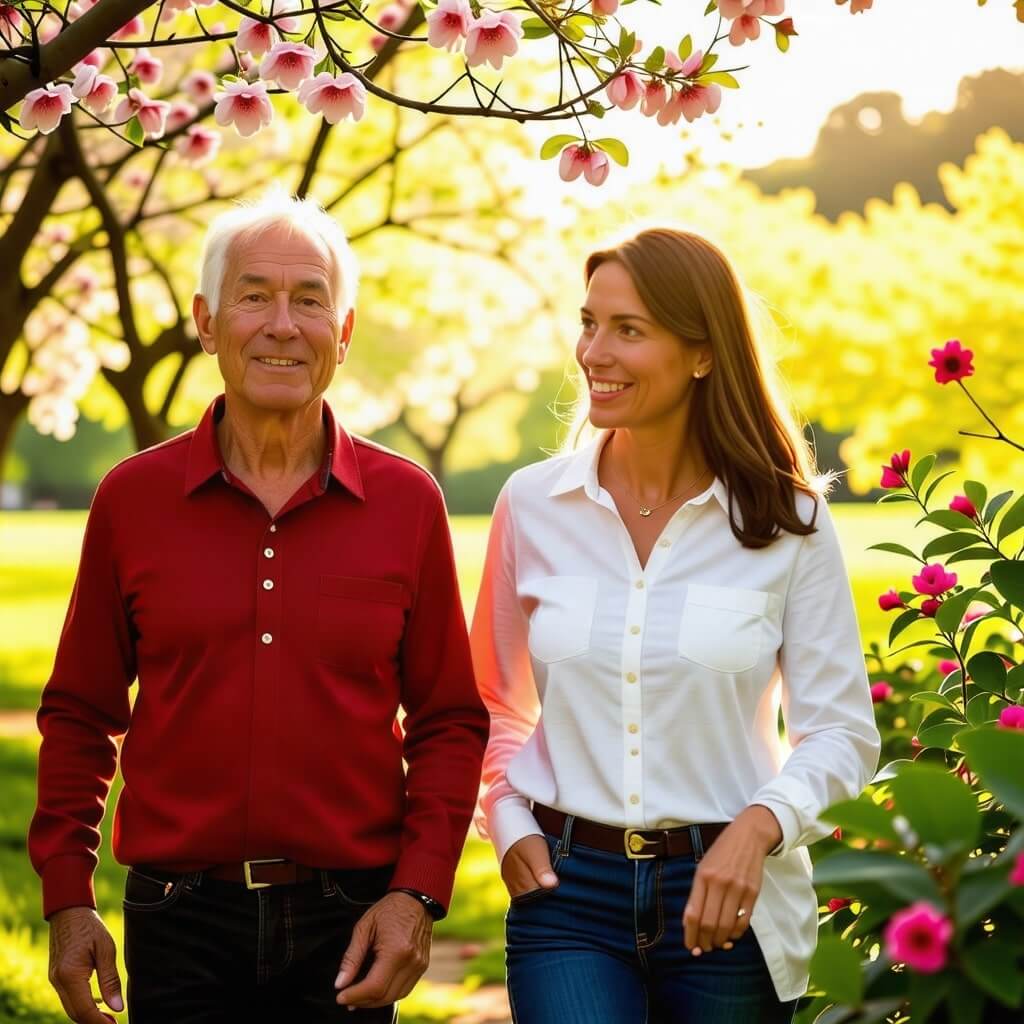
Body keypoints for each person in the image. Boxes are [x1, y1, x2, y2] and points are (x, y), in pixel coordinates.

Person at [28, 188, 489, 1024]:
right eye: (254, 296)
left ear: (343, 335)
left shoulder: (407, 503)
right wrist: (67, 895)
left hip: (349, 922)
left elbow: (449, 722)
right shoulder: (131, 499)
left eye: (310, 300)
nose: (283, 324)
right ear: (207, 323)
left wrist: (416, 895)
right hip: (178, 920)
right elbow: (79, 713)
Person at [470, 228, 881, 1023]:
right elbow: (493, 702)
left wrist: (760, 828)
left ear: (701, 353)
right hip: (565, 896)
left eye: (629, 330)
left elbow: (841, 733)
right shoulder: (532, 504)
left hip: (729, 901)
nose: (594, 351)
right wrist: (509, 820)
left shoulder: (789, 521)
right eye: (589, 323)